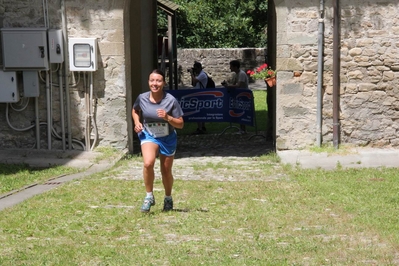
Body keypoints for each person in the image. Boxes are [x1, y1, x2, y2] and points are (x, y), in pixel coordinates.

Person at [132, 69, 184, 213]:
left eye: (158, 81)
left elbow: (180, 124)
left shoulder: (170, 100)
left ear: (164, 83)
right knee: (148, 163)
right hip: (149, 135)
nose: (155, 83)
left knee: (166, 171)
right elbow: (135, 110)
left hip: (167, 138)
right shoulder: (142, 98)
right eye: (152, 80)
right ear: (148, 82)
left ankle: (168, 197)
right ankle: (149, 196)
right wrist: (137, 122)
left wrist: (168, 118)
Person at [223, 59, 249, 134]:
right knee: (239, 111)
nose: (230, 68)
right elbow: (234, 84)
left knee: (242, 111)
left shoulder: (241, 74)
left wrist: (228, 85)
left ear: (235, 67)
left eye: (231, 66)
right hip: (240, 96)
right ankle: (242, 129)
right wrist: (227, 85)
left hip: (244, 95)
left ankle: (243, 129)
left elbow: (238, 85)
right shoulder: (236, 74)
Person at [189, 61, 208, 134]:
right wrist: (193, 74)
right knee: (200, 112)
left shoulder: (202, 75)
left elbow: (195, 80)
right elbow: (193, 84)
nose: (195, 70)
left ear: (200, 68)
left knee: (199, 112)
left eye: (196, 69)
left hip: (201, 95)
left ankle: (201, 128)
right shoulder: (198, 75)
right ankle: (202, 127)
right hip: (198, 94)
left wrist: (191, 74)